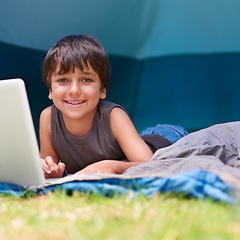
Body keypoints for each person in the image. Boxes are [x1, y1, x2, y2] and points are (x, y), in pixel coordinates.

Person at [40, 34, 172, 178]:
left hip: (164, 137)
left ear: (102, 90)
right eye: (63, 80)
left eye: (86, 79)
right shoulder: (48, 118)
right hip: (133, 144)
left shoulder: (113, 116)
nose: (74, 90)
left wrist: (110, 166)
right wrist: (50, 171)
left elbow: (149, 165)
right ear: (50, 90)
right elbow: (49, 168)